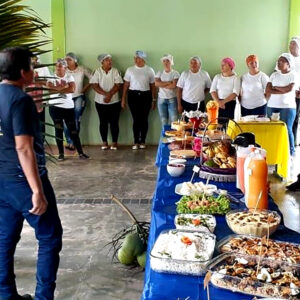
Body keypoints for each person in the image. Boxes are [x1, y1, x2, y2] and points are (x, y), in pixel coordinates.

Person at [0, 47, 63, 300]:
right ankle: (43, 297)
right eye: (32, 66)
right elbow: (23, 147)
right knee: (49, 237)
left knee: (5, 238)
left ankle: (5, 295)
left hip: (2, 180)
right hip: (22, 179)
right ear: (23, 71)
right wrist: (37, 191)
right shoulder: (20, 99)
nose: (34, 71)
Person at [47, 59, 89, 160]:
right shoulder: (51, 77)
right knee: (58, 130)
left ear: (65, 68)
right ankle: (61, 154)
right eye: (57, 66)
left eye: (60, 66)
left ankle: (80, 153)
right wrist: (63, 87)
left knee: (73, 131)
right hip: (55, 108)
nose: (57, 68)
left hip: (68, 108)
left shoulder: (69, 77)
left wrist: (57, 88)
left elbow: (72, 89)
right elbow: (49, 91)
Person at [121, 50, 156, 150]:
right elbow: (126, 85)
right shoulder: (130, 70)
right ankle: (136, 141)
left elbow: (153, 86)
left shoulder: (149, 70)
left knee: (144, 119)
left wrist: (153, 100)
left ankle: (143, 141)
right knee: (136, 119)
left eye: (139, 58)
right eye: (135, 58)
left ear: (143, 59)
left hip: (146, 95)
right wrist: (123, 99)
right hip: (133, 95)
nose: (136, 60)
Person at [266, 53, 297, 155]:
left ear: (288, 64)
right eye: (278, 61)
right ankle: (275, 151)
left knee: (287, 129)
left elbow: (289, 89)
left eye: (282, 61)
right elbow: (268, 89)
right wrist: (281, 89)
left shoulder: (293, 75)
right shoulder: (274, 75)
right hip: (272, 106)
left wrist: (276, 87)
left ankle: (290, 152)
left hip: (287, 107)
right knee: (272, 129)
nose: (279, 63)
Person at [90, 54, 123, 150]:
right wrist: (105, 94)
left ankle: (114, 142)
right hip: (100, 102)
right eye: (107, 60)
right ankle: (104, 142)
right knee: (103, 122)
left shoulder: (115, 71)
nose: (110, 62)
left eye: (110, 60)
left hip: (115, 101)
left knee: (114, 122)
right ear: (102, 62)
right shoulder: (97, 71)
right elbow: (94, 85)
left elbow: (118, 85)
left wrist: (110, 95)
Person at [64, 52, 92, 150]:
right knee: (65, 121)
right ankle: (69, 141)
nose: (67, 61)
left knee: (76, 120)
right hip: (67, 98)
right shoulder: (64, 70)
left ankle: (74, 142)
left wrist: (84, 89)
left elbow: (92, 79)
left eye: (69, 59)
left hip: (79, 96)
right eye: (66, 59)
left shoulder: (82, 69)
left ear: (75, 61)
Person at [155, 54, 180, 126]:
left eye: (167, 61)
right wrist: (169, 82)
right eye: (164, 61)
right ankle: (165, 136)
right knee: (164, 121)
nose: (166, 63)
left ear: (171, 62)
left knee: (174, 122)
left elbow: (173, 86)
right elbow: (156, 84)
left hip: (172, 99)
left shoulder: (175, 73)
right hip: (161, 100)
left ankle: (175, 136)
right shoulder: (159, 73)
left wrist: (162, 84)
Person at [289, 37, 300, 146]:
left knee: (296, 118)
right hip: (286, 94)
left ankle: (294, 140)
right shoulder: (286, 58)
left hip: (297, 94)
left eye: (293, 44)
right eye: (290, 44)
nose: (291, 46)